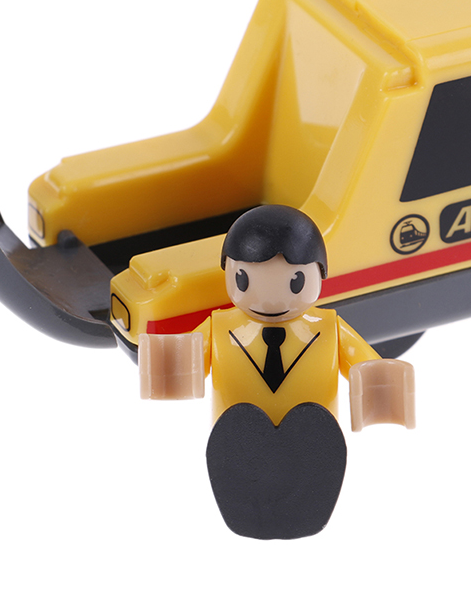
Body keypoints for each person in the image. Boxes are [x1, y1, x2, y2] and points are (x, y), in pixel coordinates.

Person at [139, 205, 415, 539]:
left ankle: (305, 511)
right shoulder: (219, 327)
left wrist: (382, 389)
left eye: (295, 282)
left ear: (318, 274)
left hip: (312, 440)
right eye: (245, 279)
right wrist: (163, 360)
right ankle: (247, 512)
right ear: (230, 273)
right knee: (244, 452)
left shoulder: (329, 327)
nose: (269, 299)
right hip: (239, 441)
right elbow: (185, 357)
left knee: (310, 450)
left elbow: (365, 363)